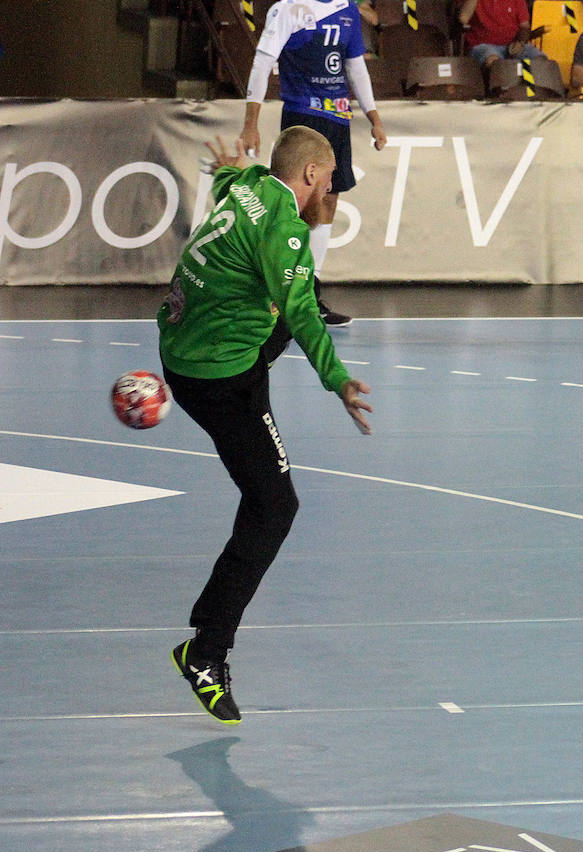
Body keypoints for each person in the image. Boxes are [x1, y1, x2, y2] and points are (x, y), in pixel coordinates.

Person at [160, 129, 375, 723]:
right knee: (274, 506)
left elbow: (233, 178)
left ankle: (204, 646)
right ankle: (204, 651)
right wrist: (337, 381)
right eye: (329, 177)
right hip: (218, 378)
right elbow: (305, 311)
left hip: (181, 343)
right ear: (309, 175)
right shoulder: (283, 231)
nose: (333, 187)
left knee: (275, 311)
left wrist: (230, 167)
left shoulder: (250, 185)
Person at [240, 0, 390, 329]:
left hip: (338, 118)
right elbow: (263, 63)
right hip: (302, 116)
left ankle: (311, 292)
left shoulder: (348, 9)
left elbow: (356, 69)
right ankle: (276, 292)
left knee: (329, 199)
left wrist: (374, 118)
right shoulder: (287, 9)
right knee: (293, 204)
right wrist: (250, 123)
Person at [458, 0, 550, 70]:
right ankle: (500, 93)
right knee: (494, 62)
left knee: (540, 60)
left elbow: (524, 27)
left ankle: (532, 92)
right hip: (484, 46)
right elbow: (463, 19)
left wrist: (520, 42)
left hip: (512, 45)